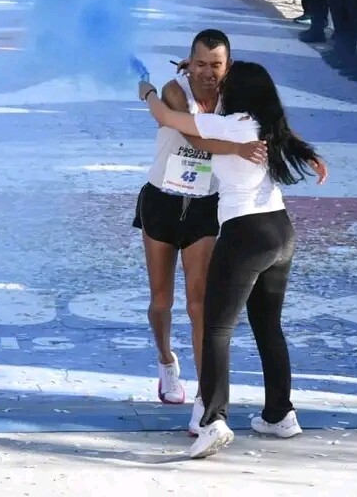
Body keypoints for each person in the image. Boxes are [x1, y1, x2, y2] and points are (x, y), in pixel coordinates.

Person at [138, 61, 329, 459]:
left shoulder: (230, 126)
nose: (217, 85)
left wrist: (148, 92)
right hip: (281, 231)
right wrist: (311, 155)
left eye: (224, 80)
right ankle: (280, 414)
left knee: (215, 328)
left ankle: (212, 421)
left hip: (246, 234)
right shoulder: (267, 123)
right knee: (268, 326)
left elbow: (168, 117)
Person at [133, 30, 268, 436]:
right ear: (188, 64)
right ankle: (165, 361)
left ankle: (204, 400)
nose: (208, 73)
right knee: (161, 300)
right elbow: (196, 137)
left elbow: (267, 111)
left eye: (216, 65)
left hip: (204, 208)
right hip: (162, 201)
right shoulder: (175, 91)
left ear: (228, 67)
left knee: (199, 305)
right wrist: (237, 149)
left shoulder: (235, 97)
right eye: (201, 64)